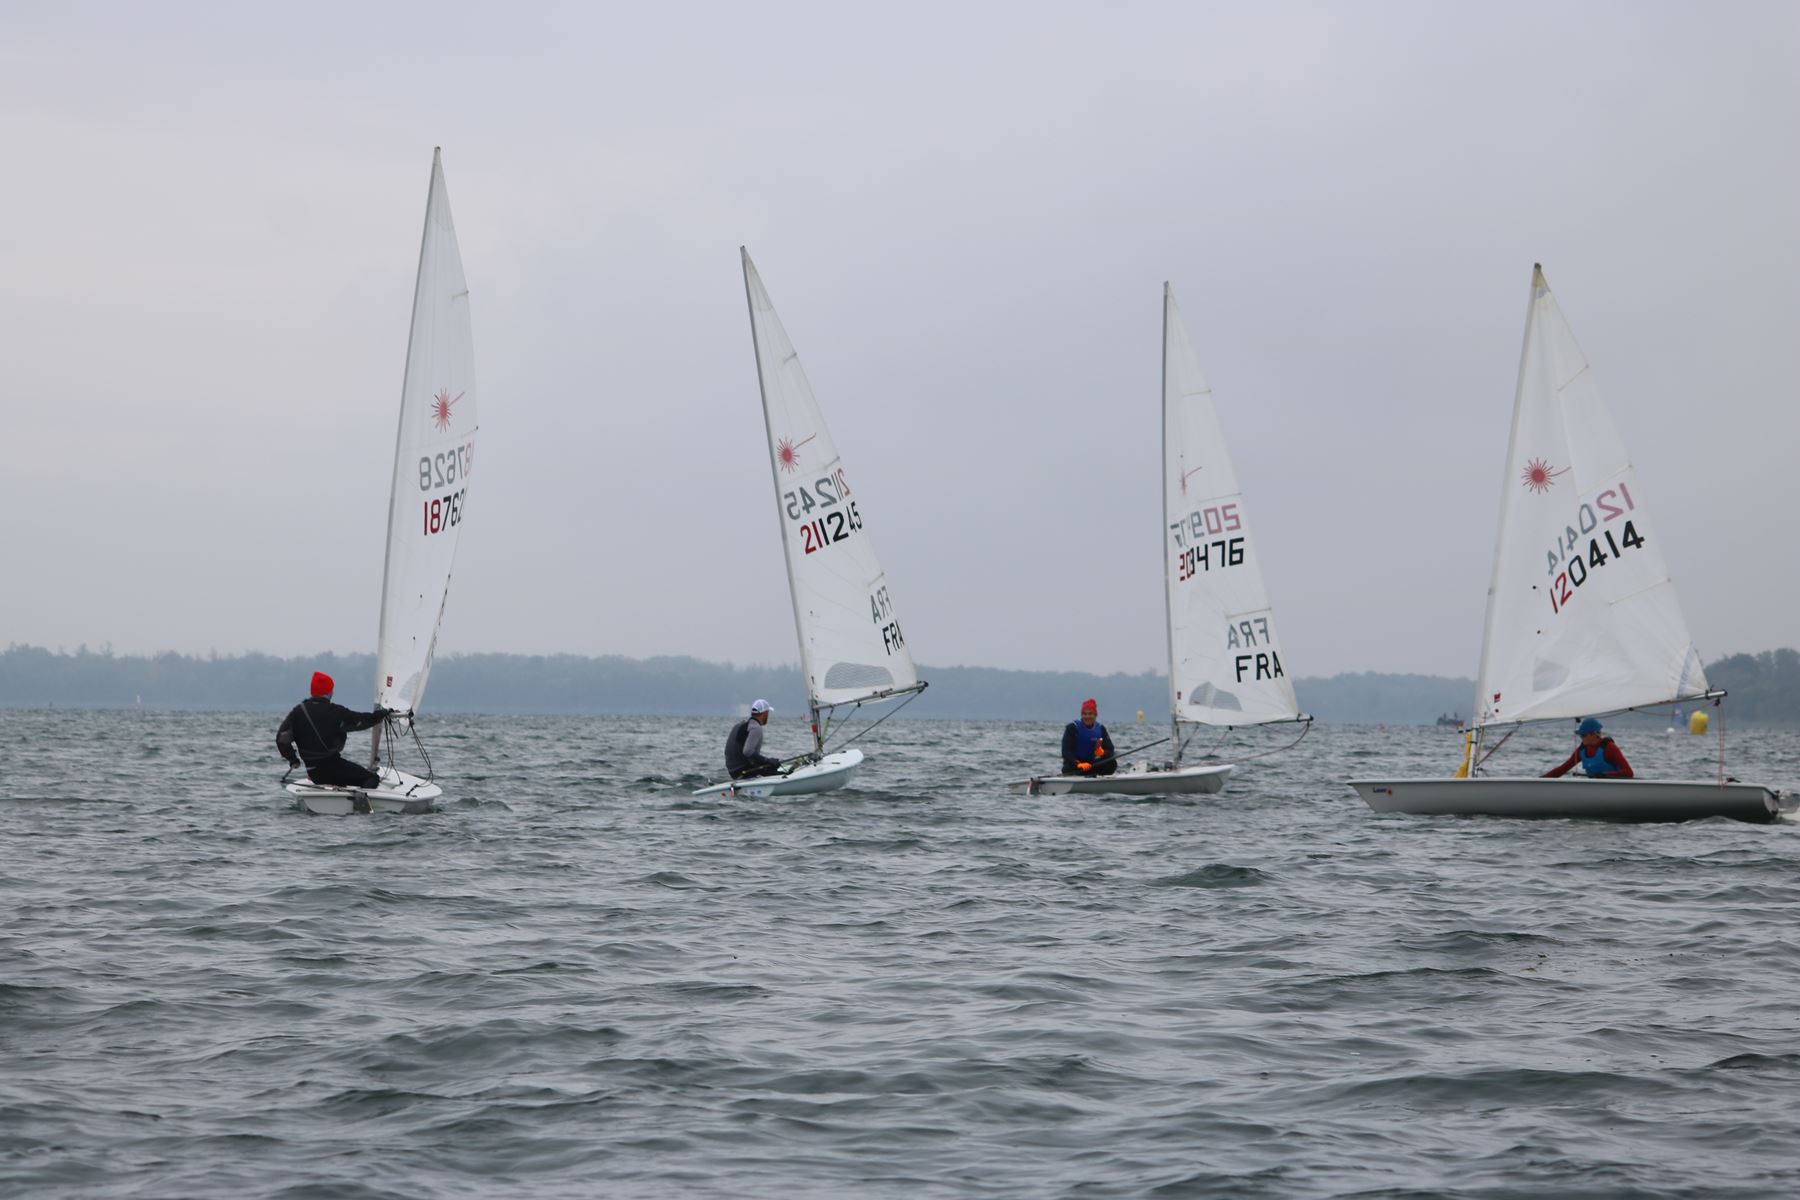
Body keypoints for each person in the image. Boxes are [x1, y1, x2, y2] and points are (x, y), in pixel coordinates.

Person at [276, 671, 393, 790]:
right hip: (333, 768)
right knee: (371, 778)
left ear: (313, 691)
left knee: (342, 776)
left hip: (313, 773)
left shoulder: (298, 712)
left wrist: (293, 760)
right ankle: (361, 801)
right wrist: (382, 714)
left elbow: (281, 740)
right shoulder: (336, 712)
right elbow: (362, 720)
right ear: (329, 692)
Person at [1543, 716, 1634, 779]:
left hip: (1612, 787)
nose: (1581, 737)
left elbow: (1629, 773)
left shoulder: (1610, 747)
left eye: (1583, 735)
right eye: (1580, 735)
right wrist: (1541, 779)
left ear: (1593, 734)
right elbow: (1562, 769)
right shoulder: (1582, 750)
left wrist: (1606, 774)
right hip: (1595, 788)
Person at [725, 699, 784, 779]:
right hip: (744, 771)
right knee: (775, 768)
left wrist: (766, 762)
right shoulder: (755, 727)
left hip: (733, 771)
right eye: (768, 713)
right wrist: (767, 760)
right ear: (765, 713)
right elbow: (747, 751)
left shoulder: (740, 725)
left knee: (770, 765)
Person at [1061, 697, 1117, 777]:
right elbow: (1065, 752)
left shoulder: (1101, 729)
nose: (1087, 716)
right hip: (1075, 766)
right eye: (1084, 714)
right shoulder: (1072, 727)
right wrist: (1078, 763)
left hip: (1090, 764)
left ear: (1095, 715)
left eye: (1090, 714)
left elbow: (1110, 750)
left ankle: (1097, 778)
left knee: (1112, 762)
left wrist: (1103, 753)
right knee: (1071, 766)